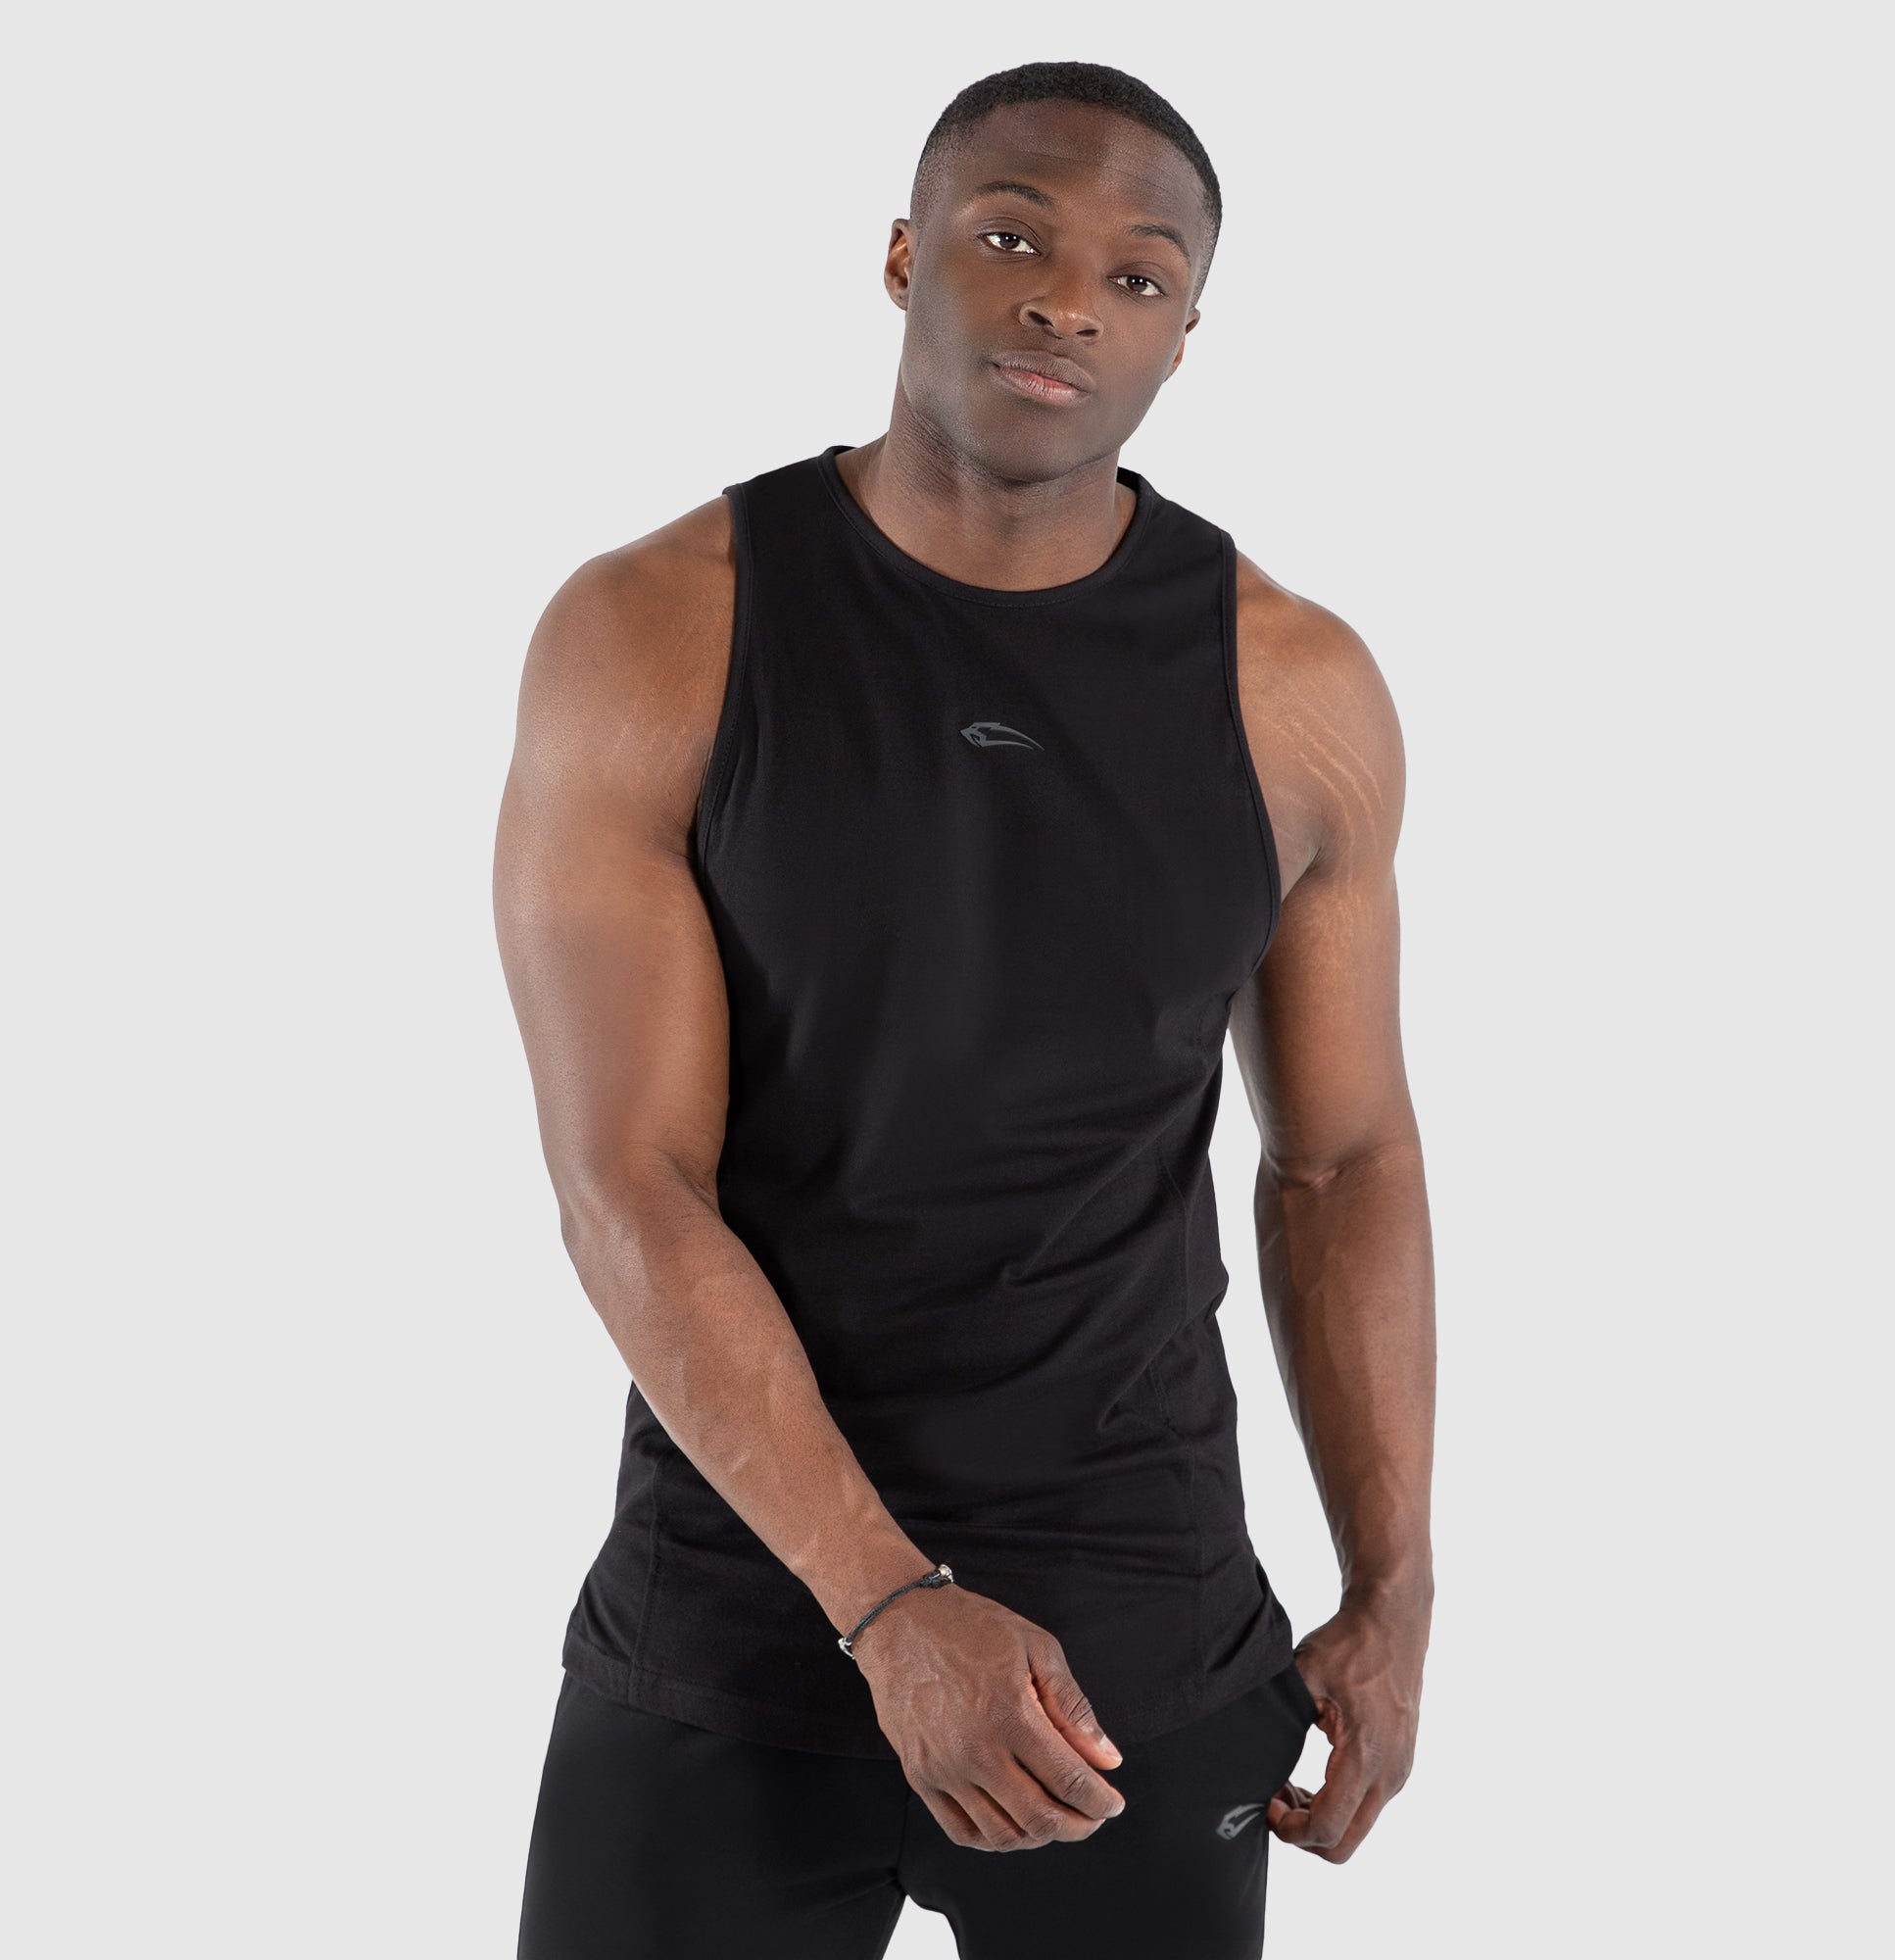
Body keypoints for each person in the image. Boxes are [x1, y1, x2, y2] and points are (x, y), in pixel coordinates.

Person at [493, 59, 1434, 1960]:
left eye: (1137, 274)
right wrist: (888, 1604)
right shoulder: (660, 631)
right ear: (907, 255)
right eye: (1014, 237)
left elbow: (1341, 1163)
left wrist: (1395, 1586)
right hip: (744, 1626)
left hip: (1143, 1636)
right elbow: (628, 1187)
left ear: (1183, 333)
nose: (1070, 301)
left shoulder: (1293, 690)